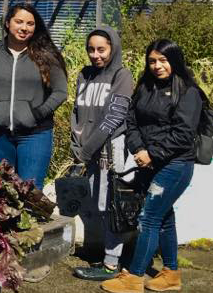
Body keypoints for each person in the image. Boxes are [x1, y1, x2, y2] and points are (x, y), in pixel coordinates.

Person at [102, 40, 201, 293]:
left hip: (175, 165)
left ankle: (134, 278)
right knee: (164, 218)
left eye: (163, 60)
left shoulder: (188, 91)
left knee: (149, 218)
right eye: (152, 61)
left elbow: (184, 134)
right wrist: (138, 149)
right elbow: (130, 120)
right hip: (148, 161)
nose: (157, 66)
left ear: (174, 60)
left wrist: (153, 154)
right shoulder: (145, 87)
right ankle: (171, 273)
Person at [69, 26, 134, 282]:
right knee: (100, 204)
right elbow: (76, 111)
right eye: (91, 49)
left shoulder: (121, 75)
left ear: (113, 48)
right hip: (88, 151)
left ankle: (111, 264)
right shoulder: (84, 74)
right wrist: (77, 145)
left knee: (112, 205)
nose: (95, 55)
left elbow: (114, 118)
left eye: (101, 49)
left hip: (109, 150)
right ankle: (110, 256)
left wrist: (87, 148)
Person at [0, 3, 67, 189]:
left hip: (35, 135)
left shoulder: (46, 54)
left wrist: (37, 113)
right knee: (8, 192)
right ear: (7, 23)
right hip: (1, 134)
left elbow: (60, 91)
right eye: (19, 22)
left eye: (30, 23)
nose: (24, 28)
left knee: (30, 192)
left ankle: (31, 219)